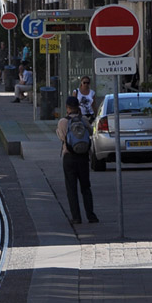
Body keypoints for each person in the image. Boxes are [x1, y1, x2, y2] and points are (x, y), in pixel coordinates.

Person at [56, 96, 98, 225]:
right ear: (78, 107)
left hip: (69, 157)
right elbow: (90, 132)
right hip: (83, 157)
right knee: (86, 187)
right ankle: (91, 216)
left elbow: (61, 136)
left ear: (67, 107)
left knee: (71, 188)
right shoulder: (83, 120)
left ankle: (76, 217)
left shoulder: (63, 122)